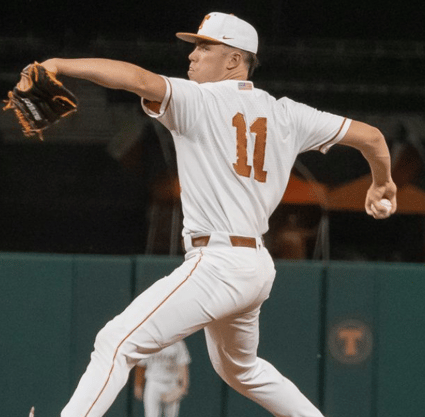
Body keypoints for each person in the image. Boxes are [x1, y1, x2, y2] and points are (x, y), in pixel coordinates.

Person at [30, 11, 397, 417]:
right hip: (254, 265)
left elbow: (135, 79)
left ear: (234, 59)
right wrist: (382, 182)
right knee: (242, 371)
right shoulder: (288, 113)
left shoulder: (197, 100)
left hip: (218, 262)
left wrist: (60, 65)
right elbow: (372, 137)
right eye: (194, 46)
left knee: (116, 342)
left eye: (205, 47)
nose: (192, 56)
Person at [133, 340, 190, 417]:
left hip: (171, 383)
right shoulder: (150, 342)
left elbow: (183, 365)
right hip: (153, 383)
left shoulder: (177, 342)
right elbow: (141, 365)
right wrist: (138, 385)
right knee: (151, 415)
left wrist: (182, 388)